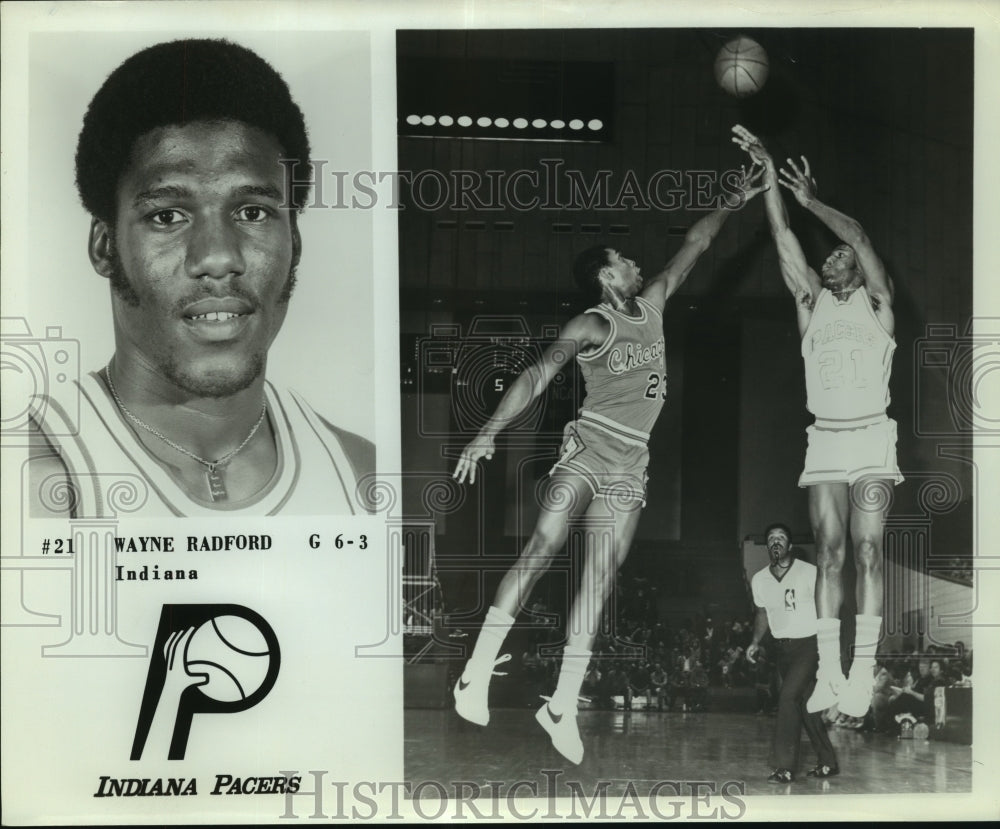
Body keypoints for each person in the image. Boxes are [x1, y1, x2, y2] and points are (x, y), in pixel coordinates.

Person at [450, 162, 767, 764]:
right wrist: (487, 432)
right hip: (590, 448)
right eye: (625, 259)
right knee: (542, 547)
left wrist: (730, 202)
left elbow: (694, 246)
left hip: (631, 464)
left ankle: (562, 704)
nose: (638, 265)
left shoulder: (652, 306)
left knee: (600, 579)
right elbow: (540, 373)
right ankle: (475, 673)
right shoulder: (593, 322)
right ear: (604, 273)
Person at [27, 39, 373, 517]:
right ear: (105, 245)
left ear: (295, 240)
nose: (217, 257)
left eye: (252, 212)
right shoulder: (30, 480)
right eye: (168, 216)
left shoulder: (362, 478)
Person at [733, 124, 901, 719]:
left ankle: (864, 670)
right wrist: (771, 174)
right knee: (828, 552)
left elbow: (856, 232)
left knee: (868, 551)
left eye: (839, 254)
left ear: (857, 268)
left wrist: (812, 202)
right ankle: (830, 674)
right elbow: (780, 237)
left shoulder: (877, 303)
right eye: (827, 255)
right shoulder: (811, 303)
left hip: (874, 435)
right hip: (826, 437)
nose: (832, 255)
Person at [748, 523, 839, 783]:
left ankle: (784, 766)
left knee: (787, 697)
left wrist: (830, 649)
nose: (776, 541)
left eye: (782, 537)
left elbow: (828, 608)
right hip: (782, 649)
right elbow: (762, 613)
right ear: (768, 546)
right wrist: (755, 641)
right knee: (807, 706)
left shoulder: (810, 573)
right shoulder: (760, 579)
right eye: (771, 538)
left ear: (789, 546)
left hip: (810, 644)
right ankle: (828, 762)